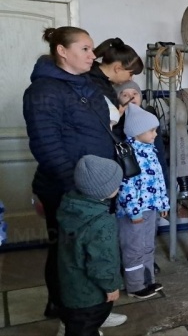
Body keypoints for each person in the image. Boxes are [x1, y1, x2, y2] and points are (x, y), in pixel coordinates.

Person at [23, 26, 126, 328]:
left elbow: (104, 127)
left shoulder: (86, 85)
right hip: (67, 189)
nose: (93, 56)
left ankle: (93, 308)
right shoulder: (43, 91)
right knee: (66, 253)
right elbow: (46, 145)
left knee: (93, 247)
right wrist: (77, 188)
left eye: (92, 49)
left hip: (95, 188)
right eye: (85, 49)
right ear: (62, 51)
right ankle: (69, 314)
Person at [57, 155, 123, 336]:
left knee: (77, 323)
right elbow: (102, 260)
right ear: (103, 190)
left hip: (71, 285)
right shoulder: (101, 222)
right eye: (116, 184)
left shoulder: (70, 204)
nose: (119, 187)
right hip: (90, 295)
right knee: (85, 325)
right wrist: (111, 286)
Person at [113, 81, 167, 275]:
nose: (130, 98)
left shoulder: (149, 125)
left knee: (147, 235)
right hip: (129, 199)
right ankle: (131, 272)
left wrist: (164, 195)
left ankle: (145, 268)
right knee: (129, 237)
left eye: (134, 93)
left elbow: (160, 162)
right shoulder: (114, 128)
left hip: (150, 198)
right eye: (124, 95)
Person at [88, 38, 143, 107]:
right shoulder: (94, 86)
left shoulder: (101, 82)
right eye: (130, 74)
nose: (130, 79)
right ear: (118, 69)